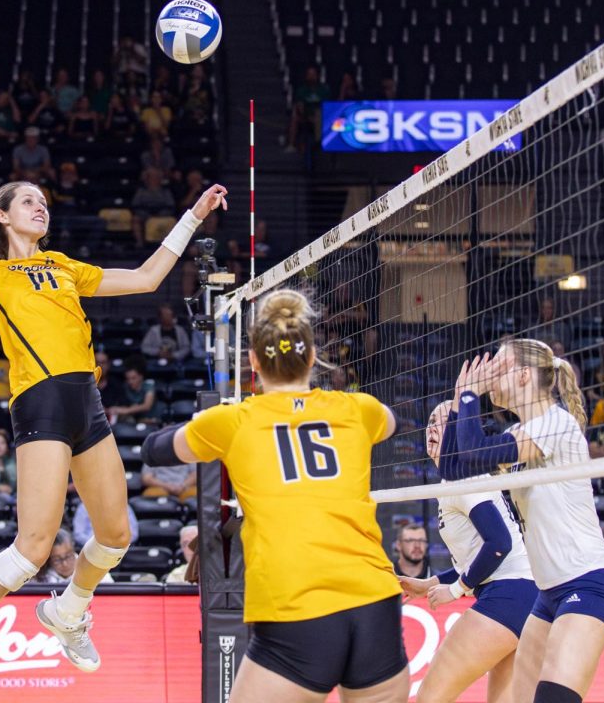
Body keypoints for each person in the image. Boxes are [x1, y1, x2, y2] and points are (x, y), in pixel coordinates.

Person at [0, 175, 227, 687]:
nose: (41, 208)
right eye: (28, 201)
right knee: (32, 549)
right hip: (41, 402)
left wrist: (194, 216)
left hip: (86, 401)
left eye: (45, 202)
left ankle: (69, 610)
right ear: (2, 215)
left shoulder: (64, 267)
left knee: (116, 534)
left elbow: (146, 277)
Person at [138, 289, 408, 702]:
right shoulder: (359, 409)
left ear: (254, 361)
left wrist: (204, 423)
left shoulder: (233, 422)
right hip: (374, 602)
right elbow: (393, 422)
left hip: (296, 607)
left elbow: (154, 450)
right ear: (314, 356)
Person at [441, 341, 604, 702]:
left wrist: (469, 399)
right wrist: (460, 399)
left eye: (499, 364)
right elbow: (454, 467)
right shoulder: (519, 434)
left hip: (590, 584)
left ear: (524, 375)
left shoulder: (555, 424)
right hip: (548, 594)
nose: (490, 372)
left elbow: (474, 452)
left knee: (553, 698)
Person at [399, 401, 538, 703]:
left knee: (429, 698)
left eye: (443, 421)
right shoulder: (459, 478)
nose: (432, 428)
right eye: (430, 421)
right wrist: (431, 584)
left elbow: (500, 544)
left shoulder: (461, 477)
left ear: (461, 432)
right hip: (523, 595)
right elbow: (478, 553)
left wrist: (457, 589)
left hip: (507, 595)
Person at [37, 529, 113, 585]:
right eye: (57, 560)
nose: (65, 564)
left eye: (68, 556)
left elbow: (110, 591)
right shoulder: (41, 577)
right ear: (49, 559)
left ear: (73, 548)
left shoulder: (92, 567)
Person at [72, 499, 139, 547]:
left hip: (119, 549)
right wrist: (96, 545)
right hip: (92, 548)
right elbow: (78, 534)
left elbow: (133, 533)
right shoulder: (84, 506)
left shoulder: (123, 505)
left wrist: (117, 544)